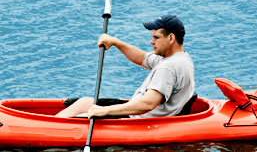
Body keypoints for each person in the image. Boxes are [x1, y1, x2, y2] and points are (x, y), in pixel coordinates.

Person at [55, 14, 195, 119]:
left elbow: (148, 104)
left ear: (171, 38)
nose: (151, 42)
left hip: (136, 120)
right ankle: (54, 122)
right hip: (141, 113)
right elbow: (142, 58)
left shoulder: (168, 68)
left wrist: (104, 111)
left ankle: (51, 128)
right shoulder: (180, 58)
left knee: (82, 115)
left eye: (156, 38)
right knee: (84, 102)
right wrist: (115, 42)